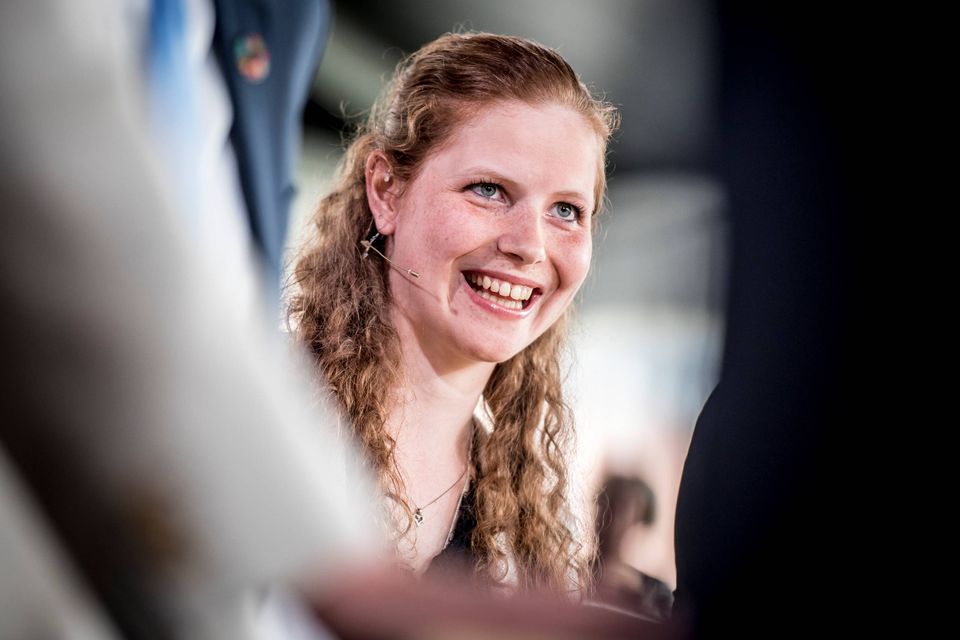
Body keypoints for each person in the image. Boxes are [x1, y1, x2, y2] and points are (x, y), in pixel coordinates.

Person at [287, 32, 619, 595]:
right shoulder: (268, 412)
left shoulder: (526, 528)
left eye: (566, 210)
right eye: (488, 190)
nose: (530, 247)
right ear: (387, 192)